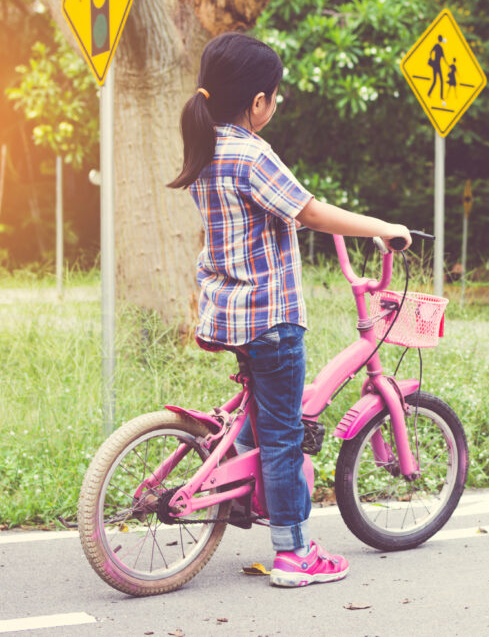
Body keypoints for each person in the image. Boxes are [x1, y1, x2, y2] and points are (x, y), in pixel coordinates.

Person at [168, 32, 411, 588]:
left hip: (226, 311)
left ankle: (243, 488)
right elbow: (313, 212)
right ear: (258, 102)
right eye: (274, 97)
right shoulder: (253, 154)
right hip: (269, 318)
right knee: (283, 434)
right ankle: (293, 553)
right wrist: (385, 227)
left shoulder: (207, 150)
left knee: (263, 417)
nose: (275, 105)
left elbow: (278, 214)